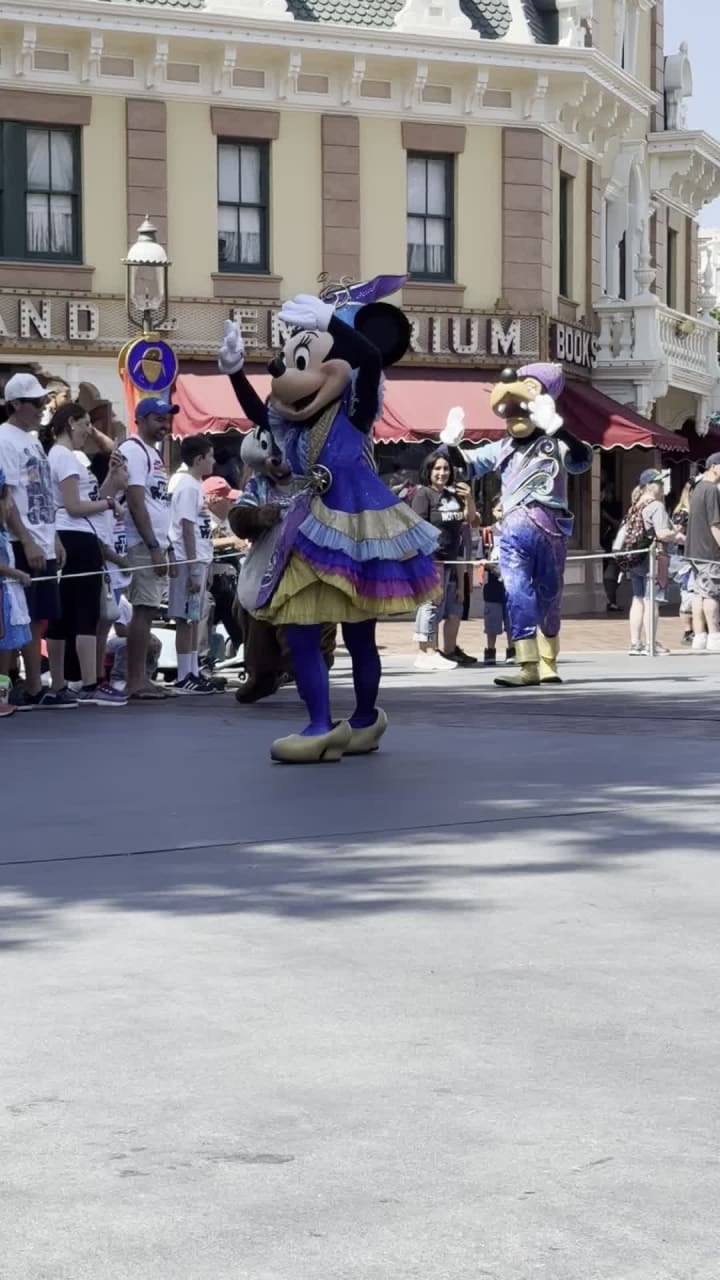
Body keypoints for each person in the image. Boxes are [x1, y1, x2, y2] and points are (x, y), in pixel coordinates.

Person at [219, 280, 439, 763]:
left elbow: (370, 359)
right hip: (308, 526)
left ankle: (362, 720)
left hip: (356, 526)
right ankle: (321, 723)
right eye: (289, 362)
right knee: (300, 626)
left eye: (305, 361)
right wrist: (235, 373)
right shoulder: (292, 424)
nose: (288, 374)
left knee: (359, 633)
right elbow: (261, 414)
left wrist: (329, 323)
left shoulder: (355, 410)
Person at [442, 364, 592, 687]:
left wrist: (559, 430)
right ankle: (527, 664)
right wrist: (453, 445)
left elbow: (581, 458)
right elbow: (466, 465)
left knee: (550, 597)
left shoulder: (554, 443)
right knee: (516, 593)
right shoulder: (502, 448)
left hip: (551, 530)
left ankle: (549, 661)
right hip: (511, 534)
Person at [44, 402, 128, 706]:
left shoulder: (60, 456)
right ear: (71, 423)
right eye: (85, 424)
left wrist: (111, 483)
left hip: (72, 536)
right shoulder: (65, 457)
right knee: (85, 612)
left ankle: (60, 683)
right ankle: (90, 683)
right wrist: (109, 504)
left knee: (65, 612)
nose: (88, 431)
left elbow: (87, 499)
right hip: (78, 537)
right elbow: (74, 507)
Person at [0, 371, 69, 710]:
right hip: (19, 540)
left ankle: (31, 685)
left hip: (43, 536)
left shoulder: (34, 441)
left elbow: (43, 493)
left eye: (43, 400)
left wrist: (53, 538)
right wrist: (26, 540)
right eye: (35, 401)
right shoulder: (4, 439)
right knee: (17, 617)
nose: (42, 407)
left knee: (38, 616)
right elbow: (6, 498)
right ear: (16, 404)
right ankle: (19, 685)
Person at [118, 397, 176, 701]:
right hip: (141, 542)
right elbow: (136, 502)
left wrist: (167, 548)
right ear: (140, 420)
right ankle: (135, 680)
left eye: (167, 419)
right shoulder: (134, 450)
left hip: (154, 541)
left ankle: (142, 677)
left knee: (148, 608)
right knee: (143, 609)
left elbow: (158, 502)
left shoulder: (152, 452)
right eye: (158, 419)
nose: (165, 425)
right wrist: (153, 545)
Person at [411, 450, 476, 671]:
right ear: (429, 471)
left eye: (446, 468)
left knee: (449, 607)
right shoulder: (423, 494)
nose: (442, 473)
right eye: (437, 468)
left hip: (452, 560)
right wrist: (430, 561)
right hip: (432, 559)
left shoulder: (453, 495)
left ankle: (443, 650)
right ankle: (425, 652)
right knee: (430, 604)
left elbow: (470, 519)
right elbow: (418, 527)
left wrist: (468, 498)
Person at [167, 436, 216, 693]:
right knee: (185, 618)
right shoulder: (186, 485)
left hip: (200, 558)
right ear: (198, 459)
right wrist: (193, 565)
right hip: (188, 559)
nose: (213, 461)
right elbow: (186, 526)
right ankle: (183, 674)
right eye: (210, 456)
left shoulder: (195, 484)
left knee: (195, 617)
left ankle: (194, 671)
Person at [624, 470, 681, 656]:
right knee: (652, 601)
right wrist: (675, 533)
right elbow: (662, 533)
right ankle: (650, 643)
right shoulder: (656, 506)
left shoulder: (635, 506)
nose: (662, 486)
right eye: (658, 483)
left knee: (638, 598)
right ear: (648, 486)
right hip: (654, 558)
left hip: (635, 558)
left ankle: (635, 643)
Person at [0, 466, 32, 717]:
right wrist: (17, 574)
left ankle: (3, 694)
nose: (10, 506)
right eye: (6, 500)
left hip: (8, 593)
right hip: (3, 593)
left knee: (6, 646)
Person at [685, 452, 720, 653]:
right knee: (711, 593)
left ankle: (699, 636)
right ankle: (714, 635)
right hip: (708, 551)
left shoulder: (697, 488)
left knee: (699, 593)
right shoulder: (711, 490)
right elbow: (715, 524)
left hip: (694, 550)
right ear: (714, 466)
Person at [482, 502, 515, 666]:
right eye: (499, 510)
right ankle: (490, 651)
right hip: (492, 585)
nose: (502, 513)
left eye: (505, 510)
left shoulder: (515, 531)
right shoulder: (488, 533)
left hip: (512, 584)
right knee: (492, 622)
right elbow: (481, 557)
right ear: (493, 511)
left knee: (511, 621)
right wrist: (491, 567)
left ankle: (512, 650)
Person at [600, 480, 623, 612]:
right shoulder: (597, 507)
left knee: (611, 574)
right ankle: (610, 600)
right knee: (608, 574)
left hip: (611, 544)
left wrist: (607, 517)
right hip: (603, 543)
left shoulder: (614, 506)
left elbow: (618, 524)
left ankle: (611, 601)